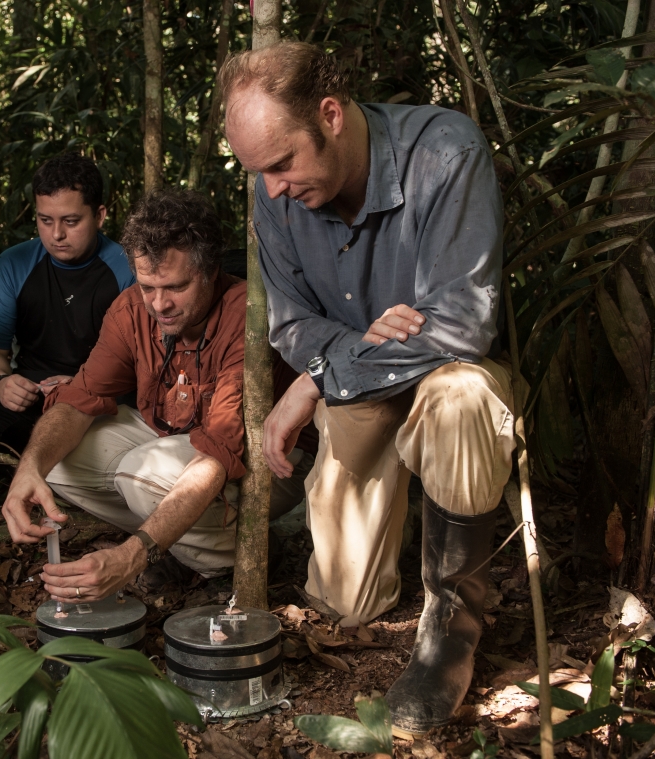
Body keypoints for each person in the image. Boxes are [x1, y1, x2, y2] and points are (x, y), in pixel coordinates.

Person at [220, 42, 517, 736]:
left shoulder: (443, 150)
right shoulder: (276, 195)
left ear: (329, 115)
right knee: (346, 604)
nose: (272, 189)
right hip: (359, 392)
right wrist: (342, 361)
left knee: (462, 395)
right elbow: (293, 328)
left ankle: (452, 623)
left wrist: (323, 375)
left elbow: (460, 330)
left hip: (450, 386)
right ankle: (397, 536)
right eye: (257, 172)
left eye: (283, 163)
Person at [0, 190, 307, 600]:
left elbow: (216, 454)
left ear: (210, 271)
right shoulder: (131, 309)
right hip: (175, 440)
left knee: (141, 474)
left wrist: (130, 558)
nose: (159, 304)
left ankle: (240, 559)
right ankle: (176, 546)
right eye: (147, 286)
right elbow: (79, 398)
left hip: (266, 461)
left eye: (175, 287)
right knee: (53, 462)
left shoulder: (244, 315)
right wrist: (28, 469)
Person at [0, 153, 134, 452]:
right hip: (33, 388)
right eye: (45, 220)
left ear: (100, 215)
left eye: (71, 221)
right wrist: (0, 382)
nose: (56, 234)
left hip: (101, 393)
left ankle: (48, 456)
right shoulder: (14, 264)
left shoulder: (128, 270)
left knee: (109, 439)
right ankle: (45, 458)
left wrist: (85, 387)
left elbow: (143, 363)